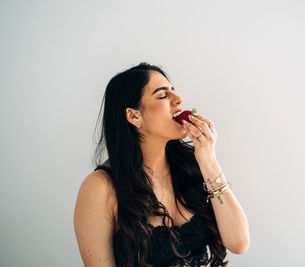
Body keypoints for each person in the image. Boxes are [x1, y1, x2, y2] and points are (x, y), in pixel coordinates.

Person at [73, 62, 250, 267]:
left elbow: (239, 243)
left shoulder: (191, 166)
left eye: (173, 91)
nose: (179, 99)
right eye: (162, 95)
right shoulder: (100, 187)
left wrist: (209, 161)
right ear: (133, 115)